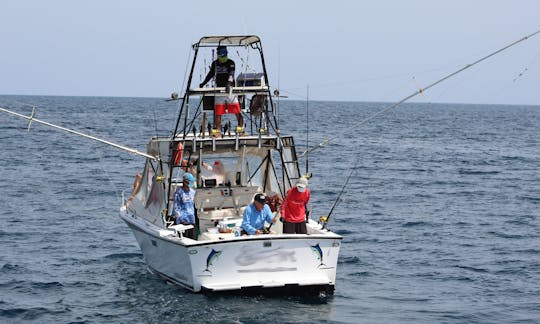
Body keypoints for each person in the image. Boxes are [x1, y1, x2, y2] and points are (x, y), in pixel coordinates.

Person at [199, 45, 244, 137]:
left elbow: (231, 74)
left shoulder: (231, 63)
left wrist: (229, 83)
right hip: (219, 90)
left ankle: (241, 130)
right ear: (218, 55)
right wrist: (203, 83)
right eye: (221, 55)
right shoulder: (215, 63)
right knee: (218, 112)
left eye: (224, 55)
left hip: (230, 91)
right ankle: (218, 131)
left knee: (237, 110)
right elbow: (211, 74)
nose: (223, 57)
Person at [173, 173, 196, 239]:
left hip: (191, 219)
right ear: (185, 181)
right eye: (190, 181)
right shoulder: (179, 192)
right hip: (183, 220)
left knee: (193, 238)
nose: (191, 183)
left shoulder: (192, 192)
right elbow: (176, 207)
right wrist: (181, 218)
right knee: (184, 238)